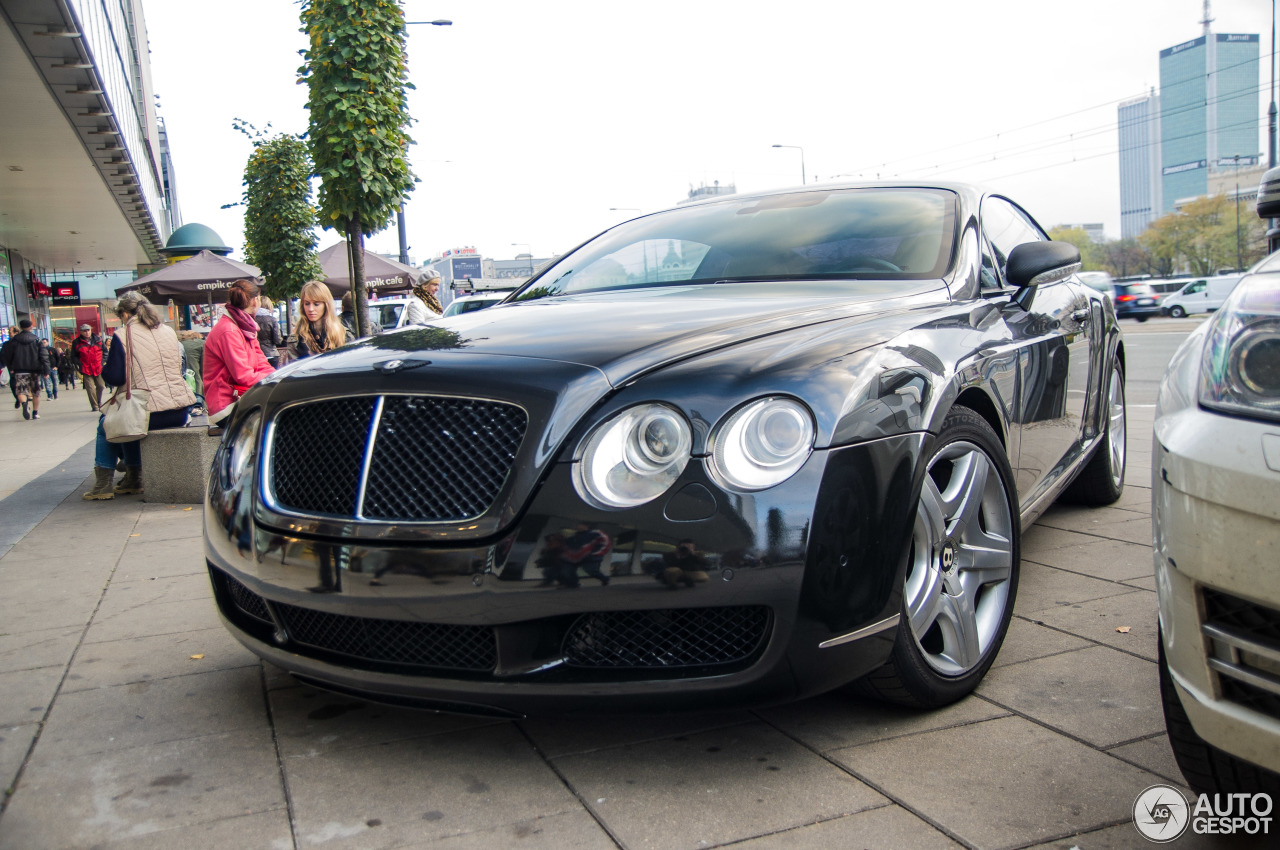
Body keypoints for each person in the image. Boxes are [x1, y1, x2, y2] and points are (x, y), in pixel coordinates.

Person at [83, 292, 196, 500]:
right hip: (180, 409)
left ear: (125, 314)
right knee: (127, 417)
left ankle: (103, 485)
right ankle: (133, 477)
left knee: (105, 424)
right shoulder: (168, 332)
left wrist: (103, 369)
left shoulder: (123, 335)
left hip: (152, 412)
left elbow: (116, 376)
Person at [204, 279, 275, 425]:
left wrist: (276, 376)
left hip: (240, 399)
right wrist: (274, 378)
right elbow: (243, 376)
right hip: (226, 406)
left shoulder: (245, 326)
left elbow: (261, 362)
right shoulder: (229, 330)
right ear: (256, 301)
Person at [0, 319, 50, 420]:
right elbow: (44, 356)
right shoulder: (37, 340)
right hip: (35, 370)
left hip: (20, 370)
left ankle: (24, 403)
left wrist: (11, 367)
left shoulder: (14, 341)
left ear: (21, 327)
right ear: (31, 327)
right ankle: (35, 413)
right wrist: (46, 369)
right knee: (36, 392)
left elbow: (8, 356)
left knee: (21, 391)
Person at [286, 280, 346, 360]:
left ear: (326, 305)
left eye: (316, 304)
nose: (310, 309)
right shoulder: (296, 339)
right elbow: (293, 369)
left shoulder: (343, 333)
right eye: (307, 304)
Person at [71, 324, 105, 411]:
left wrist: (102, 362)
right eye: (84, 331)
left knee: (101, 386)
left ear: (91, 330)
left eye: (88, 330)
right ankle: (95, 405)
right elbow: (73, 356)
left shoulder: (99, 340)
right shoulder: (76, 342)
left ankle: (98, 401)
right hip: (86, 368)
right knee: (90, 388)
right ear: (81, 332)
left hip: (98, 367)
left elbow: (105, 352)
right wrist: (79, 363)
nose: (87, 332)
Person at [254, 295, 285, 367]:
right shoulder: (272, 320)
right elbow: (278, 340)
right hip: (272, 354)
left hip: (257, 355)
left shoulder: (252, 319)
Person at [178, 329, 206, 398]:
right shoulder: (201, 343)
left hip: (181, 380)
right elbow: (204, 367)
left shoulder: (178, 344)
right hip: (195, 379)